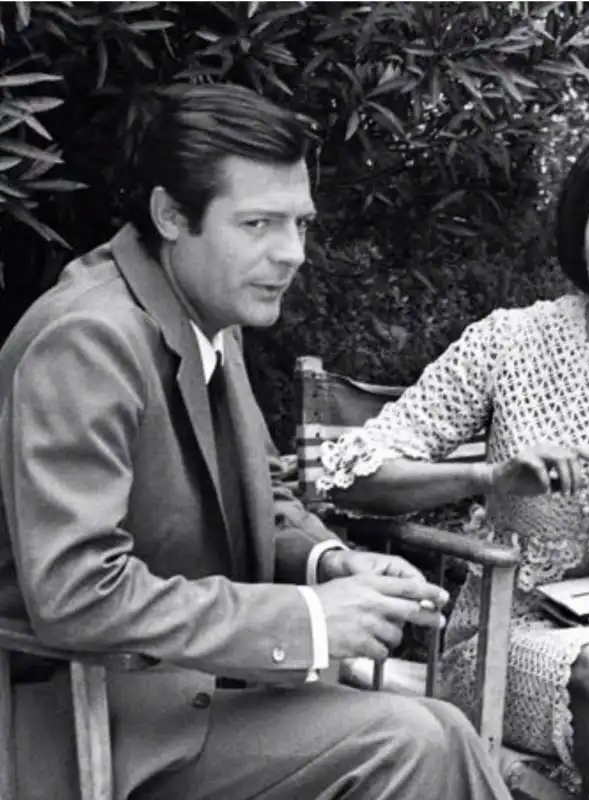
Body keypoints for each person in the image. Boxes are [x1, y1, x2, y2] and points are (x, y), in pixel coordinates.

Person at [0, 83, 514, 800]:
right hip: (87, 730)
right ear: (172, 215)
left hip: (184, 700)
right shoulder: (88, 339)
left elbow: (256, 491)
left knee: (434, 734)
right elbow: (76, 591)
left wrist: (332, 565)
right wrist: (304, 622)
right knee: (419, 742)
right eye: (259, 224)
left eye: (299, 223)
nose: (292, 253)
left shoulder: (208, 311)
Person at [319, 110, 589, 800]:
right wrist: (487, 478)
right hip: (500, 634)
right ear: (582, 224)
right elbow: (353, 475)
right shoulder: (507, 343)